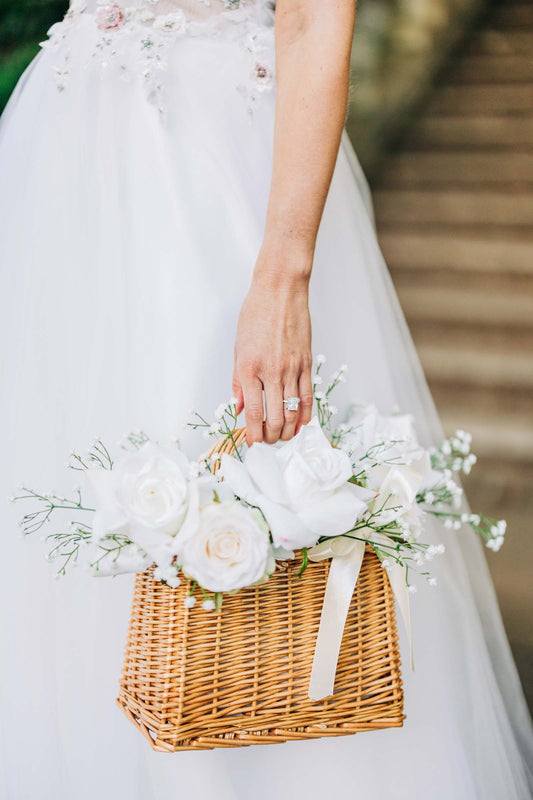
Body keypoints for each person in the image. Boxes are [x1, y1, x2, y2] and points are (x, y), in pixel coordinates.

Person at [0, 1, 532, 798]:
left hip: (214, 161)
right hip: (67, 153)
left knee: (239, 494)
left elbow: (317, 16)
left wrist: (282, 274)